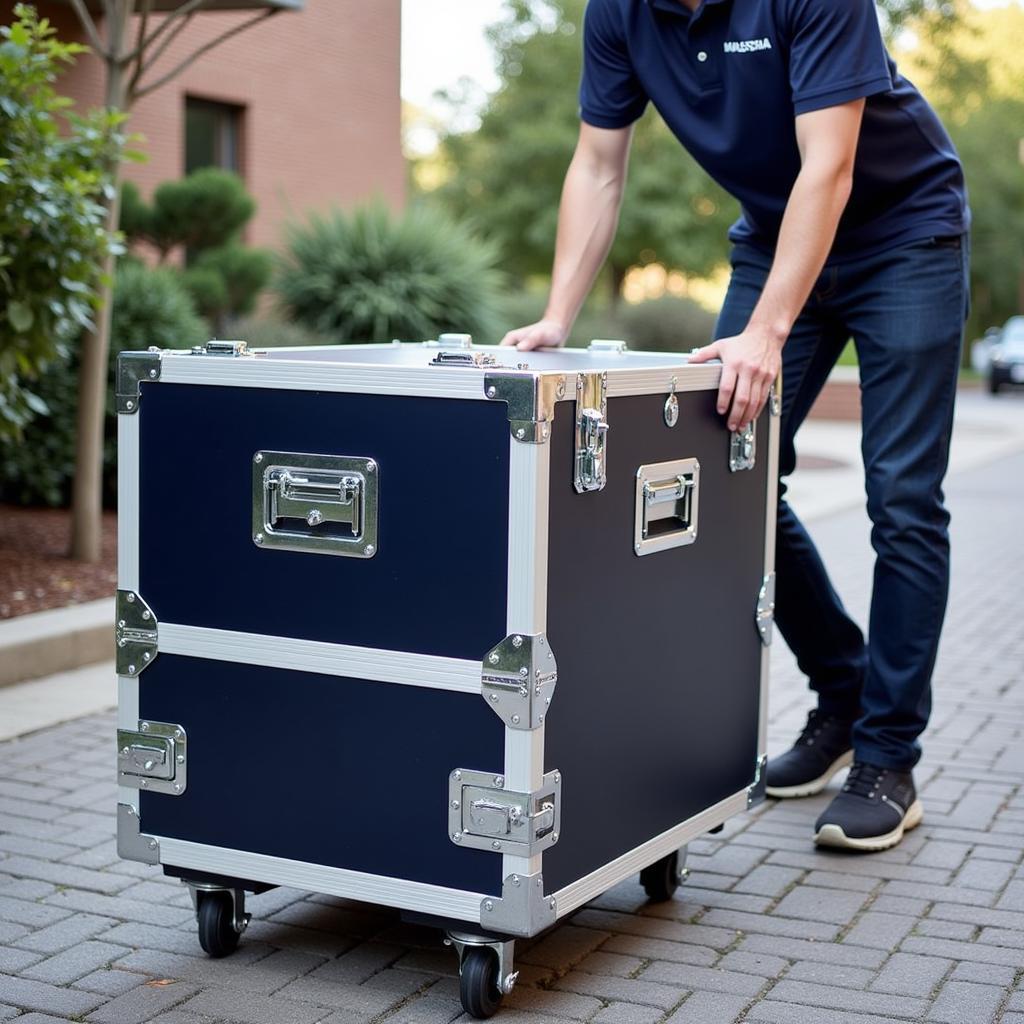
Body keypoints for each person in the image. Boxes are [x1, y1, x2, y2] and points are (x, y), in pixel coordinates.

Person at [501, 0, 970, 852]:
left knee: (902, 496)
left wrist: (768, 330)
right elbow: (598, 164)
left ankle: (886, 759)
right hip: (773, 236)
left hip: (904, 234)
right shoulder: (619, 14)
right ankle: (842, 689)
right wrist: (556, 316)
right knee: (731, 480)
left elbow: (829, 165)